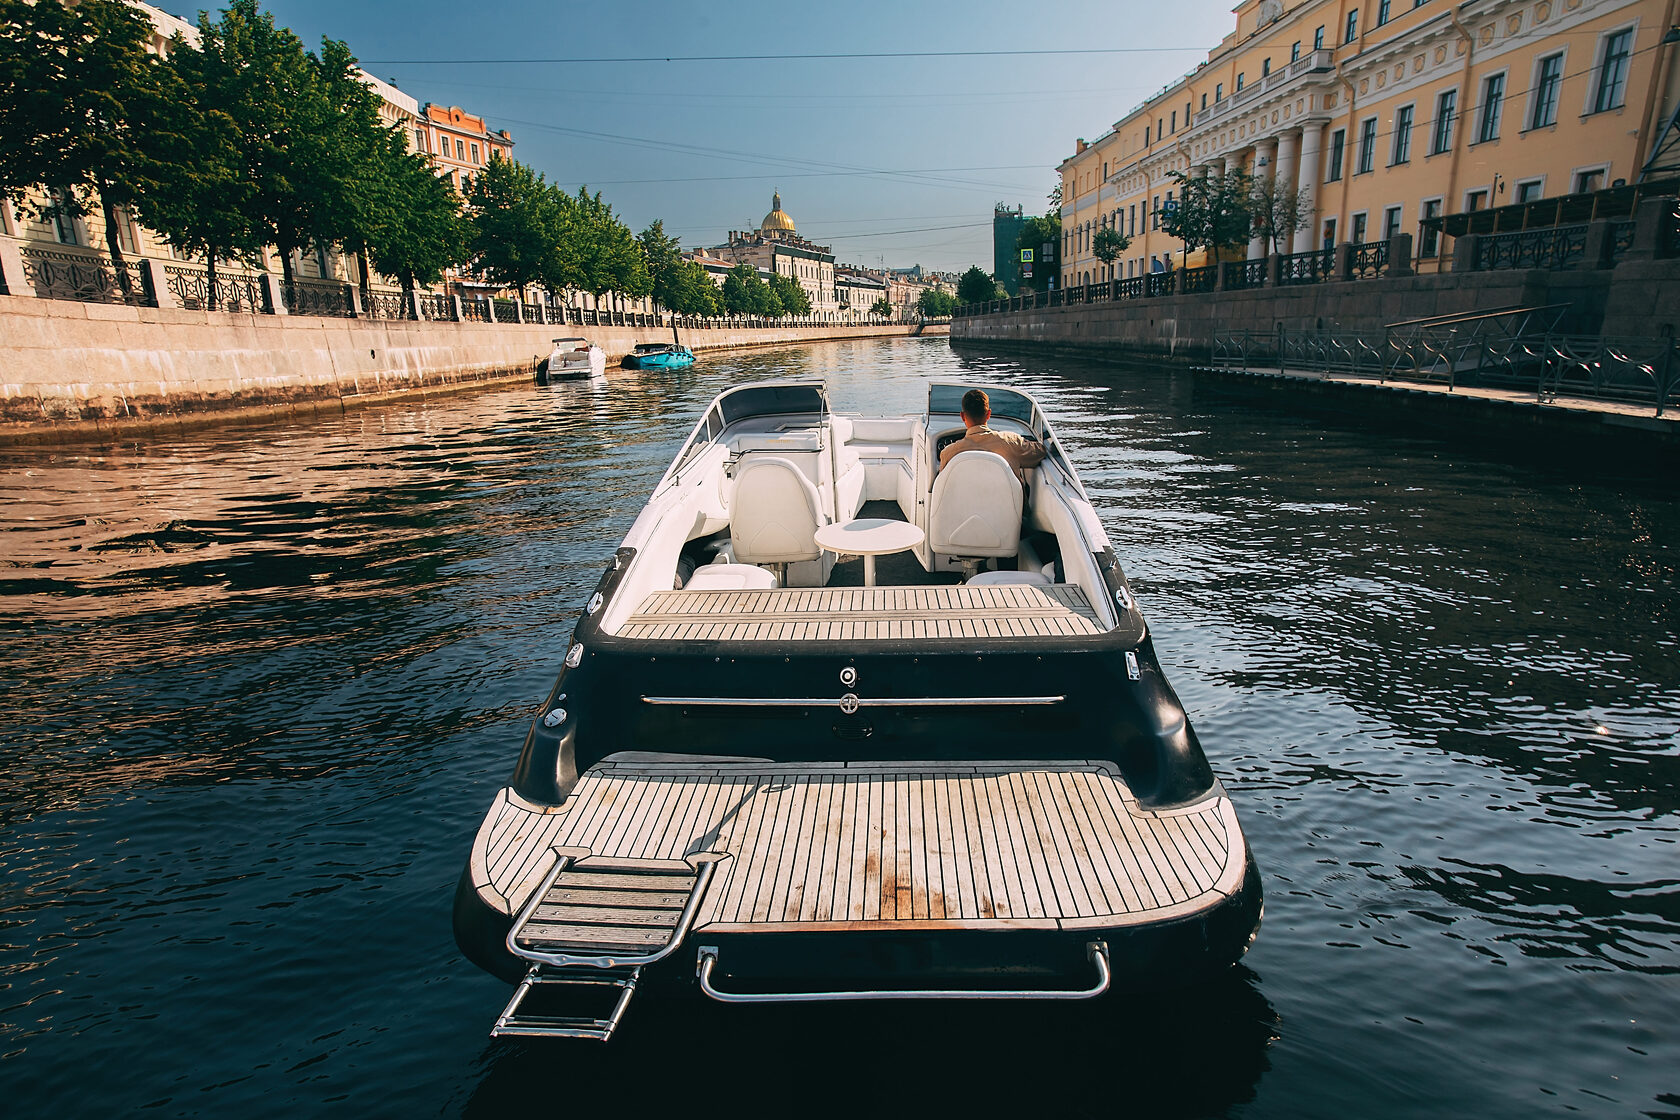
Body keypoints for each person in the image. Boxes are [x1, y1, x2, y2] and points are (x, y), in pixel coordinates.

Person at [937, 388, 1047, 485]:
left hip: (967, 508)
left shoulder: (948, 453)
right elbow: (1040, 451)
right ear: (989, 414)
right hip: (1009, 508)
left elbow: (941, 487)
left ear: (962, 416)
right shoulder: (1011, 441)